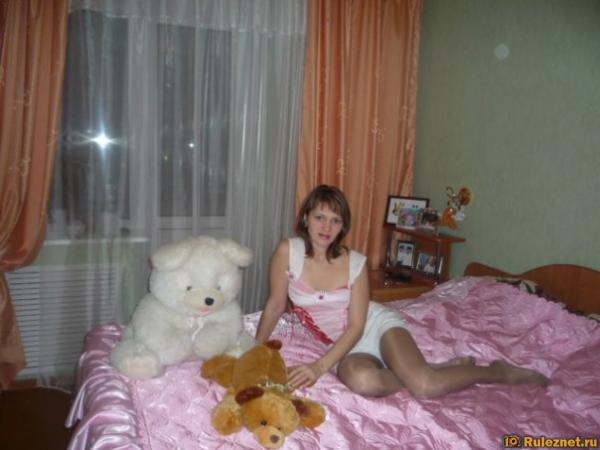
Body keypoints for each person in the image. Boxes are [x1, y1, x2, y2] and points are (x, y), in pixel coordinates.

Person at [255, 185, 549, 398]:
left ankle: (499, 371)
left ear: (343, 226)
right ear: (306, 218)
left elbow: (357, 325)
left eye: (335, 220)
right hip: (346, 345)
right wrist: (253, 350)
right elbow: (275, 305)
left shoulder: (355, 263)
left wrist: (319, 367)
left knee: (425, 387)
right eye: (320, 217)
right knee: (363, 382)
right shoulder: (287, 252)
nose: (326, 226)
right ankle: (434, 367)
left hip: (374, 327)